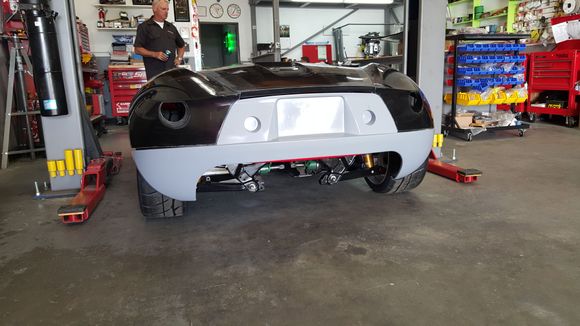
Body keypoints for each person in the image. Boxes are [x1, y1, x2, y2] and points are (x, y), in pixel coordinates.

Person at [134, 0, 186, 79]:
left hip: (171, 73)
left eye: (167, 9)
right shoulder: (144, 27)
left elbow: (181, 45)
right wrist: (154, 54)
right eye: (163, 9)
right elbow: (137, 49)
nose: (166, 12)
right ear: (154, 9)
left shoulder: (171, 27)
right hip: (154, 74)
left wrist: (179, 58)